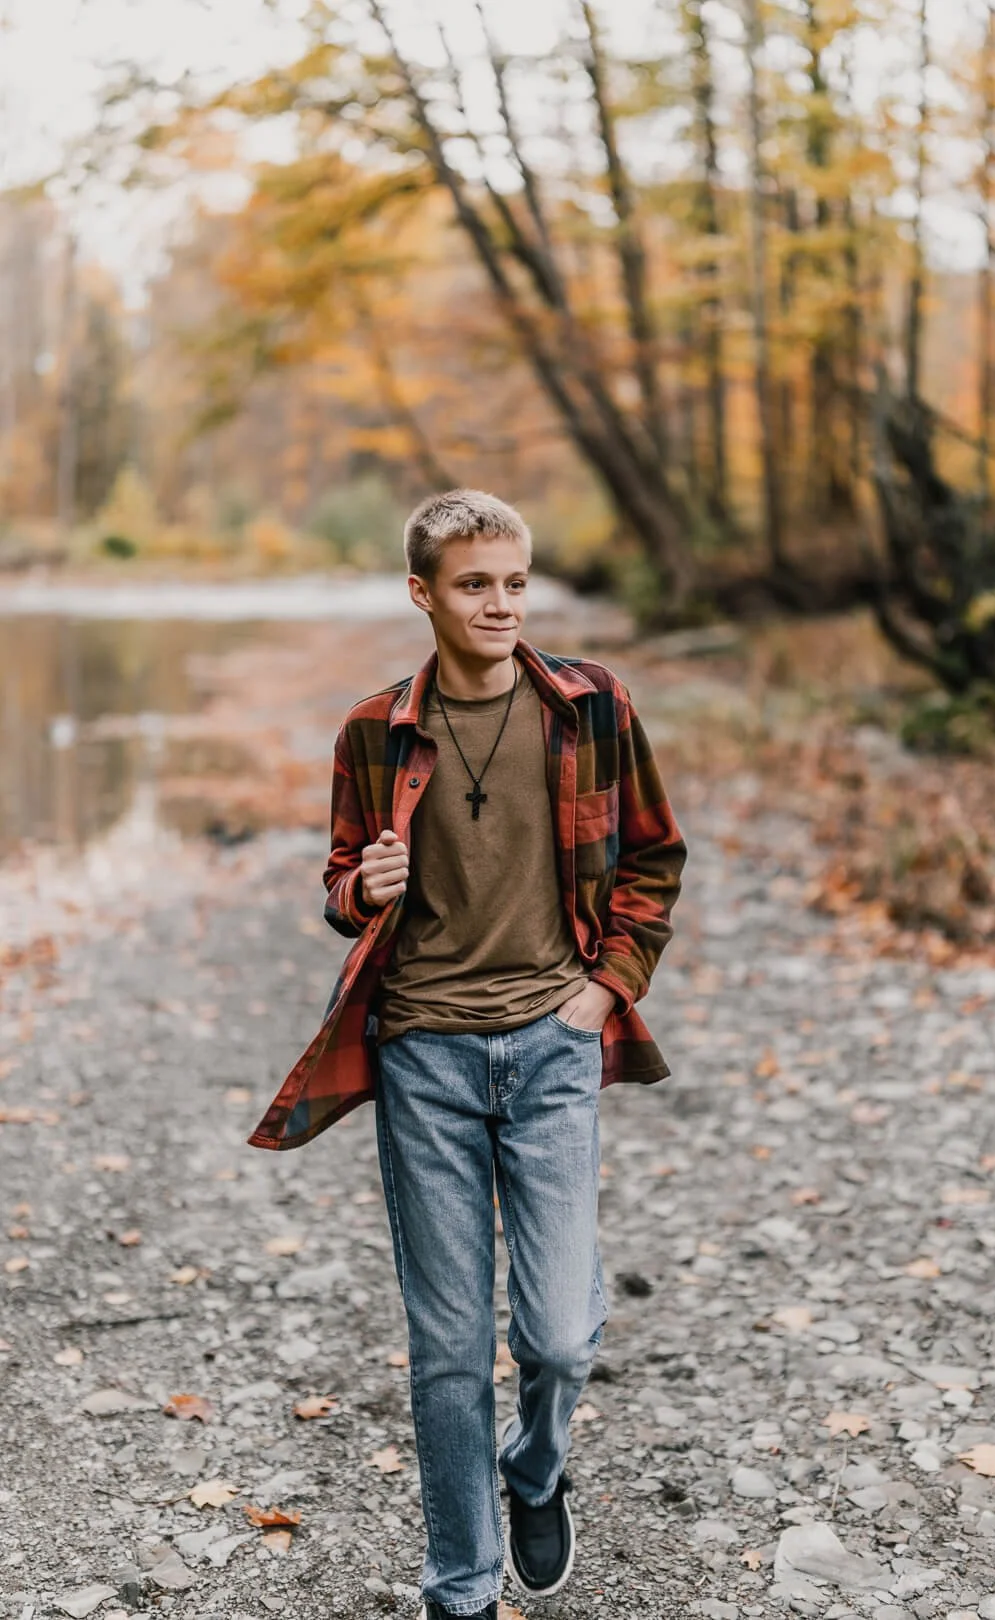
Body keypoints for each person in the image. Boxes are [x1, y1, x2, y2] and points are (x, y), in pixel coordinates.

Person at [248, 489, 687, 1619]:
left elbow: (654, 860)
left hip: (552, 1049)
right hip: (425, 1060)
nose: (500, 604)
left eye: (514, 582)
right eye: (473, 584)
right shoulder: (373, 729)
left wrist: (604, 994)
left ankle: (535, 1466)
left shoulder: (591, 708)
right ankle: (459, 1590)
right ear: (422, 594)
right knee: (448, 1346)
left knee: (555, 1336)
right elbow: (342, 881)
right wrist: (361, 890)